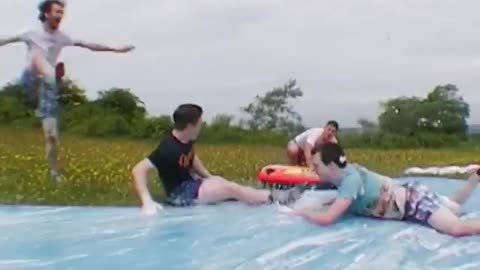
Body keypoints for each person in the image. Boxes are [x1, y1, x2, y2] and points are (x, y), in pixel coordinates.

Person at [0, 0, 135, 182]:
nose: (60, 16)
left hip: (47, 91)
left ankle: (55, 173)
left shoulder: (62, 37)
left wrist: (116, 49)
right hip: (31, 79)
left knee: (52, 137)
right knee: (39, 60)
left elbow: (88, 44)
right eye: (57, 11)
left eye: (62, 13)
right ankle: (49, 78)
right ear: (47, 13)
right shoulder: (31, 33)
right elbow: (5, 40)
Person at [132, 104, 302, 216]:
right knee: (230, 188)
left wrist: (207, 175)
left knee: (222, 182)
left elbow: (191, 156)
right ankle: (277, 200)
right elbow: (139, 169)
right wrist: (147, 202)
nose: (202, 126)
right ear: (190, 126)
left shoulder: (187, 139)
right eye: (200, 123)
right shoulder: (168, 148)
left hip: (192, 185)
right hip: (182, 196)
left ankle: (265, 197)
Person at [288, 143, 480, 237]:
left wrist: (303, 211)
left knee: (457, 228)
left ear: (331, 165)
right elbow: (347, 200)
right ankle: (475, 178)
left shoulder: (349, 181)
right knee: (455, 207)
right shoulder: (345, 175)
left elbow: (328, 219)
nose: (314, 170)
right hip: (410, 196)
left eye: (317, 165)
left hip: (414, 202)